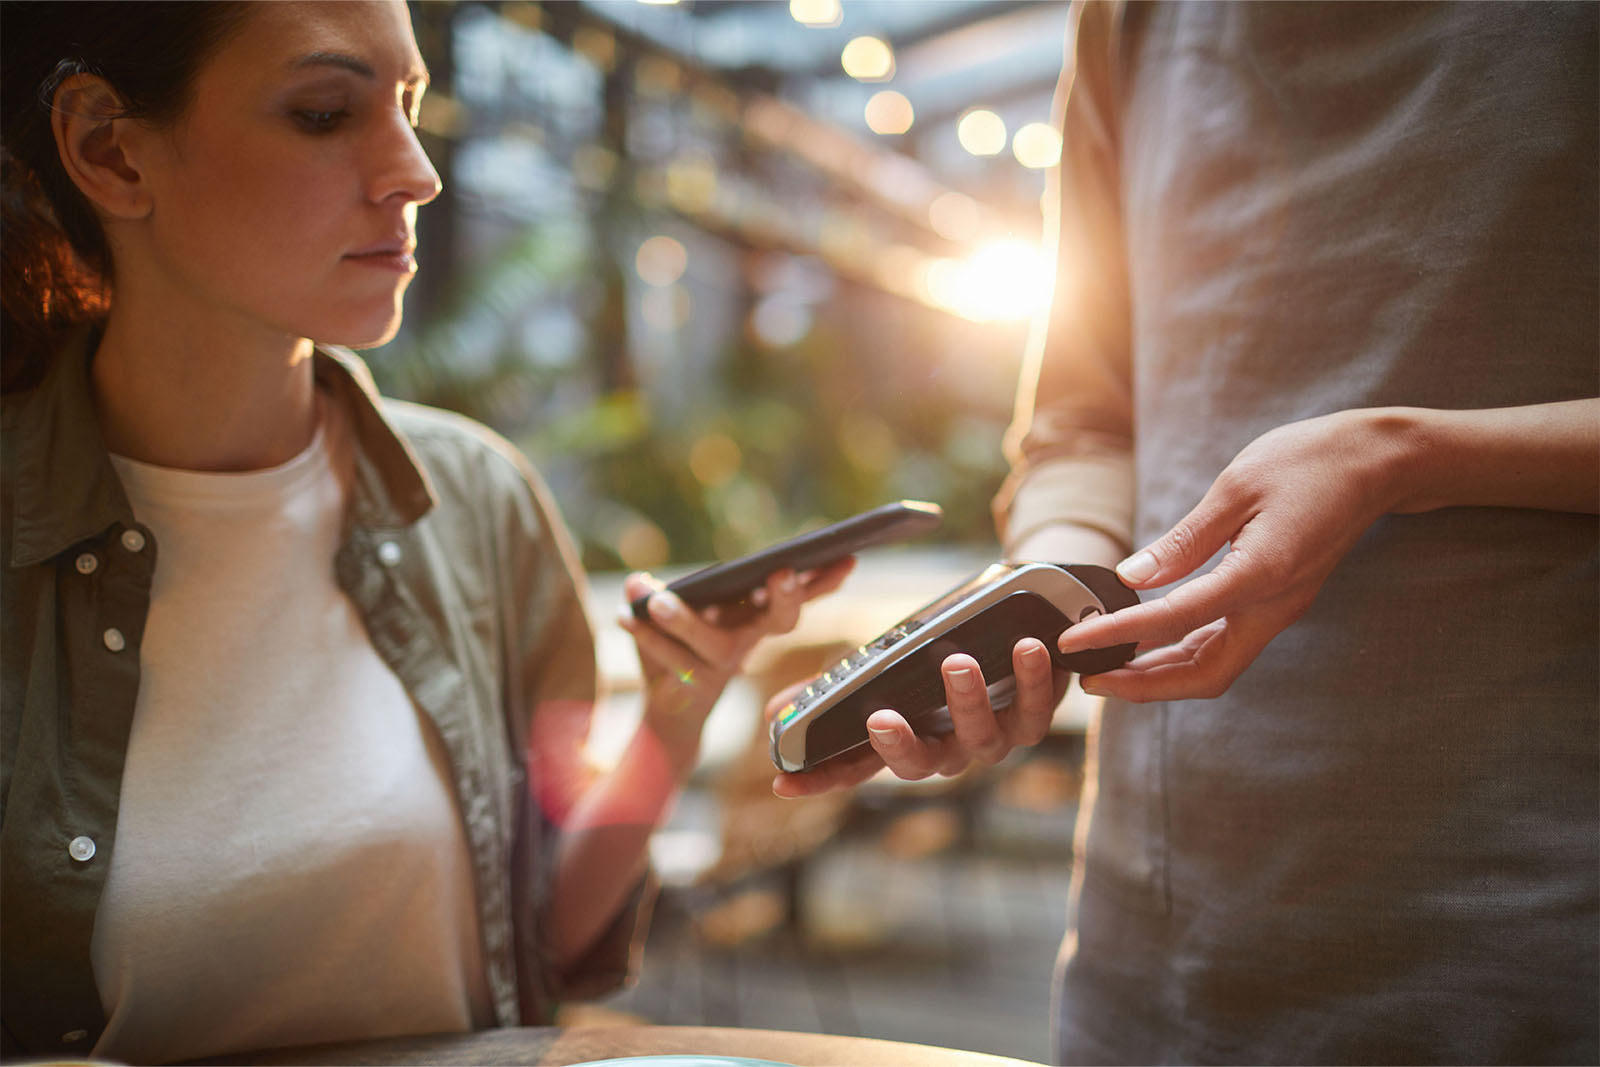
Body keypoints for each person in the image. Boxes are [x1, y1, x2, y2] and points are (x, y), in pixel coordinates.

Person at [0, 2, 849, 1061]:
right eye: (322, 112)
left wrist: (675, 715)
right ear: (109, 151)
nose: (417, 171)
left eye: (409, 105)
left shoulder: (476, 499)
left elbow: (544, 932)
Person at [776, 2, 1598, 1063]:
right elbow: (1079, 420)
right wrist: (1045, 587)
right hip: (1165, 933)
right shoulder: (1128, 19)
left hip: (1529, 915)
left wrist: (1410, 454)